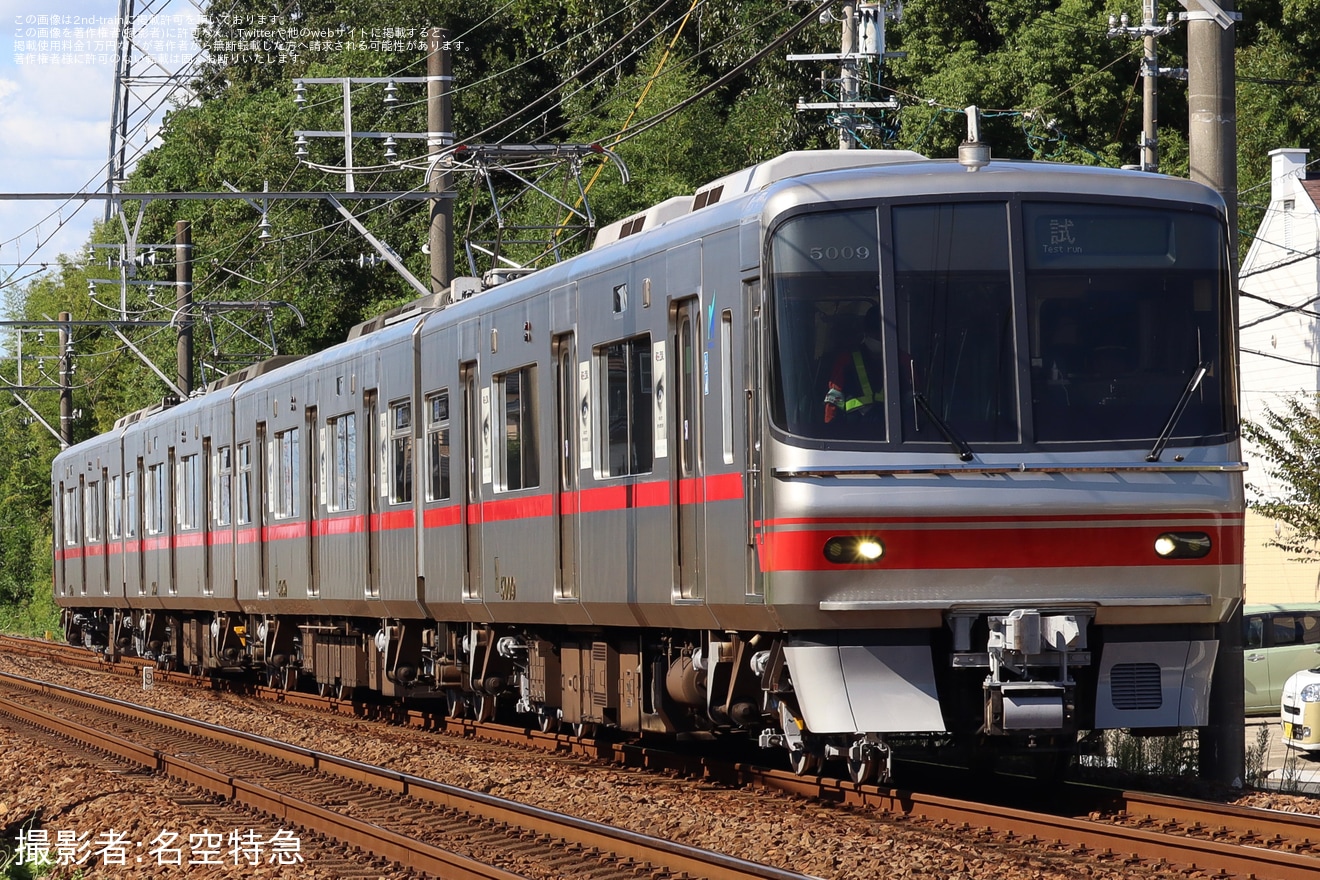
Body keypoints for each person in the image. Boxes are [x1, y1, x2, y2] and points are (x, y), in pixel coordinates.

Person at [823, 305, 883, 423]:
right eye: (874, 333)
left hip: (897, 432)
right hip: (854, 432)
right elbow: (834, 401)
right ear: (866, 333)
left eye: (880, 333)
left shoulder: (903, 361)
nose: (878, 337)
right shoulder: (846, 360)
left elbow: (913, 402)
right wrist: (830, 429)